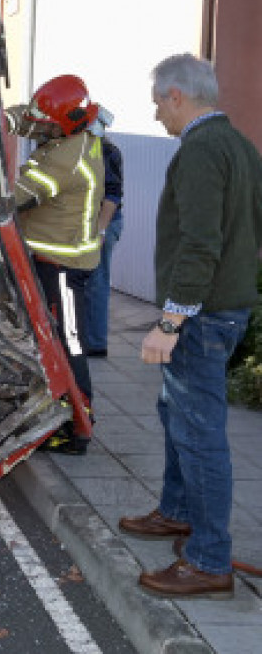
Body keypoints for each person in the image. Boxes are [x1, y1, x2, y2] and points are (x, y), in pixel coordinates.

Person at [118, 53, 262, 600]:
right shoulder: (241, 147)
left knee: (199, 433)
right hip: (223, 309)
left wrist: (171, 322)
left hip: (200, 317)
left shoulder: (201, 151)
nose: (157, 117)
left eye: (158, 104)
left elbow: (201, 243)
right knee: (174, 411)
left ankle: (208, 560)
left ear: (177, 95)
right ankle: (177, 512)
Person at [0, 74, 104, 454]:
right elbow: (29, 119)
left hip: (65, 266)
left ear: (66, 124)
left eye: (47, 123)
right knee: (46, 341)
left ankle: (77, 425)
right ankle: (54, 405)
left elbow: (10, 199)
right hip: (47, 260)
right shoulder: (65, 133)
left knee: (68, 344)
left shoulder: (65, 160)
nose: (39, 127)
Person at [82, 107, 124, 357]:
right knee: (86, 283)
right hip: (91, 222)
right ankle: (87, 338)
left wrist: (99, 232)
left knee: (96, 283)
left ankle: (96, 343)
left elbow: (112, 196)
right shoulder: (87, 149)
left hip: (104, 222)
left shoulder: (106, 151)